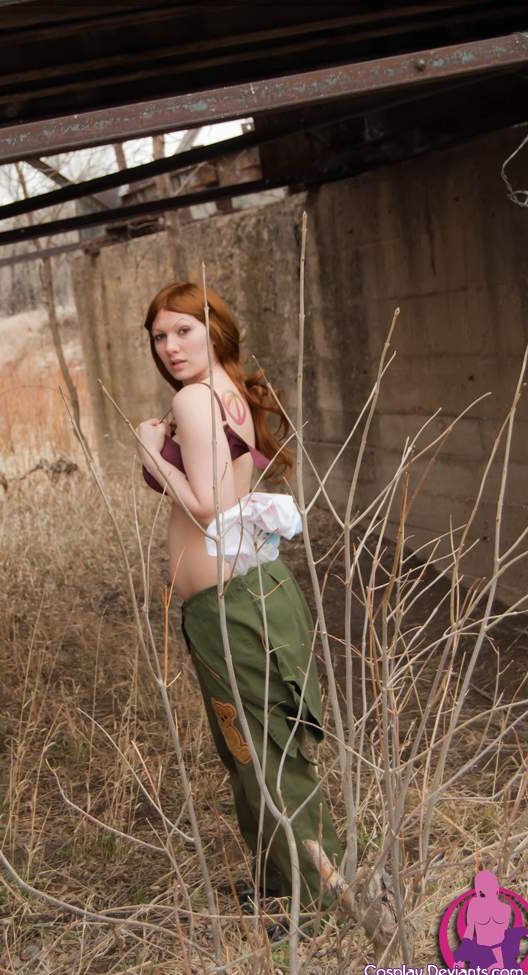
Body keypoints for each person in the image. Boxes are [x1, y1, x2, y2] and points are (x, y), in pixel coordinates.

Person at [135, 281, 342, 930]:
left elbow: (210, 507)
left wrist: (149, 451)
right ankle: (281, 881)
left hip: (231, 606)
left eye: (183, 331)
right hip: (243, 596)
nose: (170, 346)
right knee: (251, 750)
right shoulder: (222, 390)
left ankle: (317, 900)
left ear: (214, 330)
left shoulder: (195, 398)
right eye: (159, 336)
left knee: (261, 753)